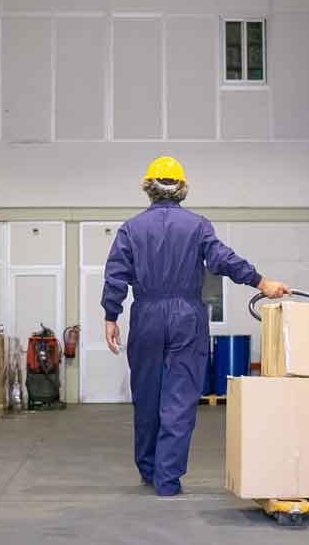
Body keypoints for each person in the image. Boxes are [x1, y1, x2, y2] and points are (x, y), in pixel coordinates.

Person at [101, 156, 291, 496]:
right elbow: (223, 260)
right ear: (182, 189)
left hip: (146, 314)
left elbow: (116, 275)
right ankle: (167, 480)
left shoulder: (131, 229)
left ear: (148, 188)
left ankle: (148, 470)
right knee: (180, 398)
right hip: (187, 316)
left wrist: (111, 315)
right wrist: (261, 282)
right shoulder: (198, 226)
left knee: (146, 395)